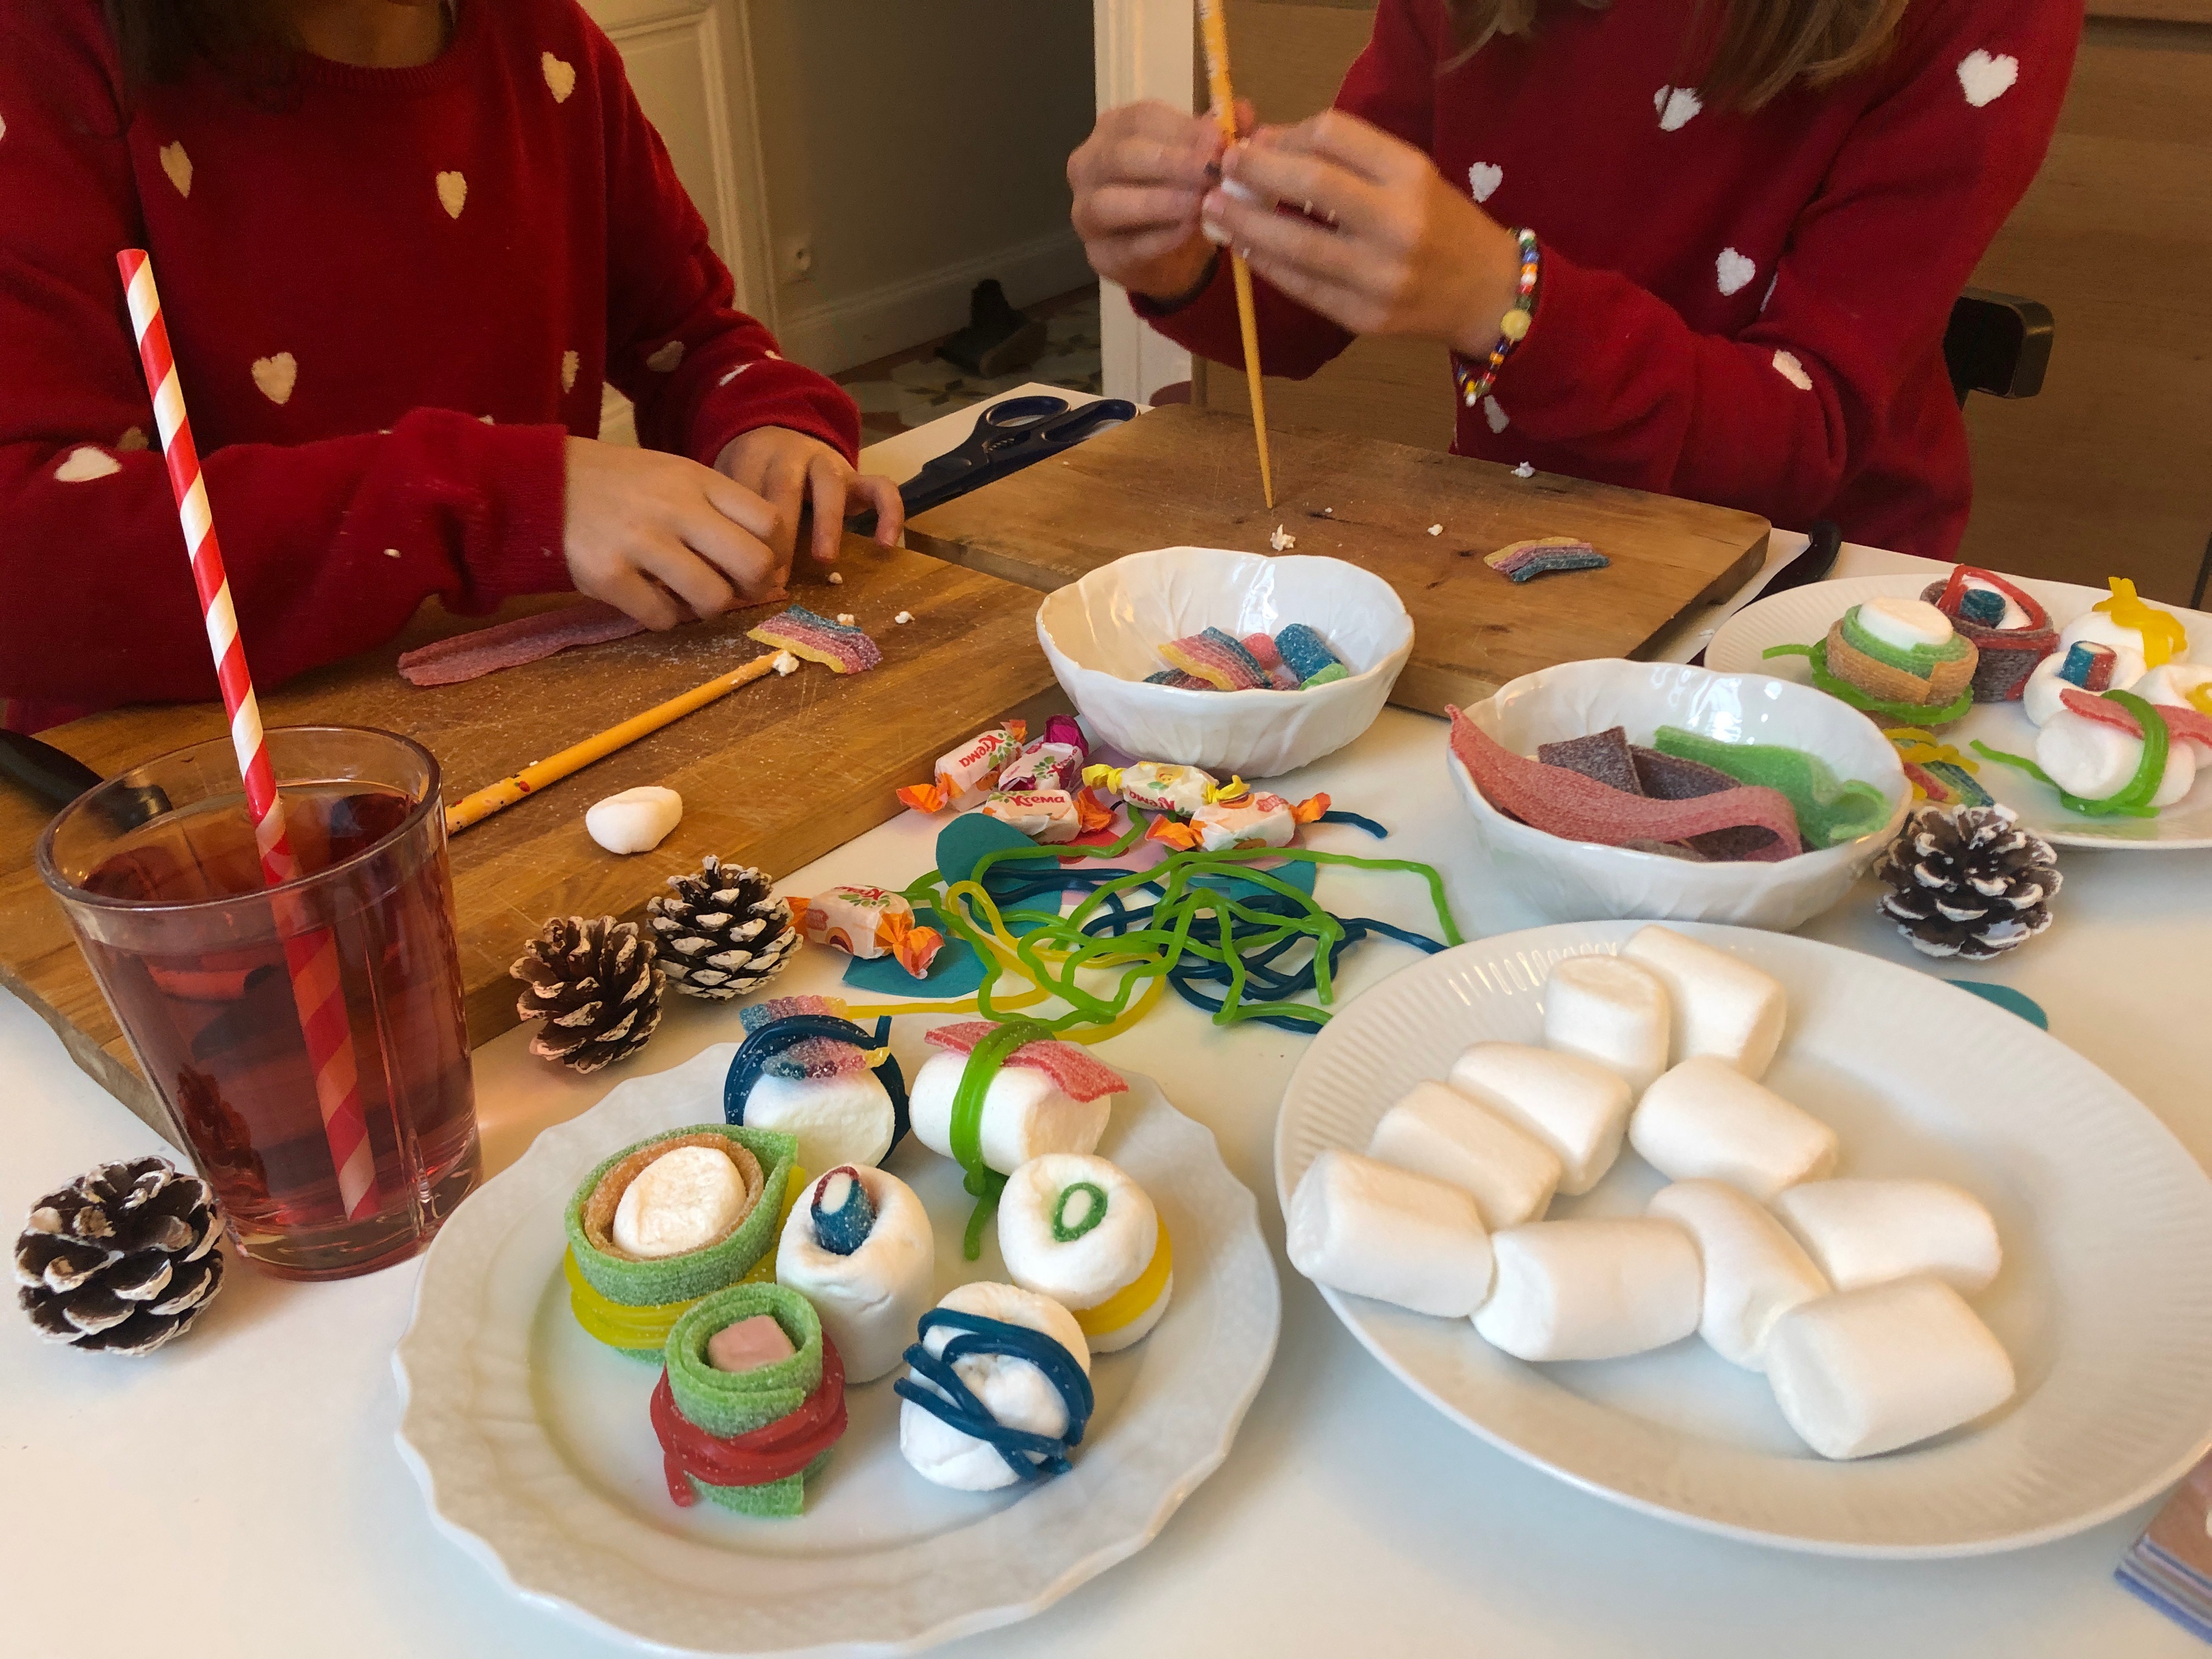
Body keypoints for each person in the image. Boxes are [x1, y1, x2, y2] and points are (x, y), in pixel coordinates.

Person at [0, 0, 902, 732]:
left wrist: (761, 419)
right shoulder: (50, 56)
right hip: (172, 789)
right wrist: (500, 498)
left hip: (518, 715)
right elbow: (27, 560)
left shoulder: (547, 42)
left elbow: (691, 336)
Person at [1068, 0, 2080, 561]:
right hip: (1523, 548)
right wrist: (1186, 257)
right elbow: (1299, 315)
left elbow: (1803, 440)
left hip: (1816, 587)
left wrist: (1503, 302)